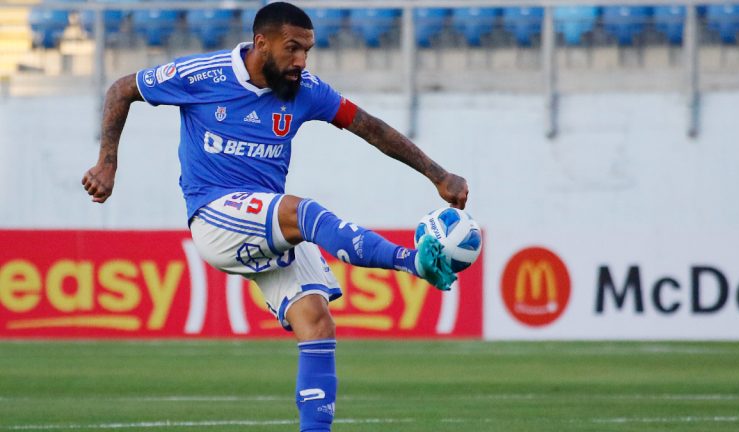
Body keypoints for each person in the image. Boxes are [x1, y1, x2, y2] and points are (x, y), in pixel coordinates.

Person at [82, 2, 468, 431]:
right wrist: (107, 164)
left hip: (267, 221)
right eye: (293, 48)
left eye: (307, 50)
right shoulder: (203, 75)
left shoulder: (306, 89)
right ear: (261, 43)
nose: (302, 61)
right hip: (214, 216)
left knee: (317, 323)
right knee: (301, 212)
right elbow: (122, 88)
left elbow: (369, 127)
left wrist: (438, 174)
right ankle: (411, 261)